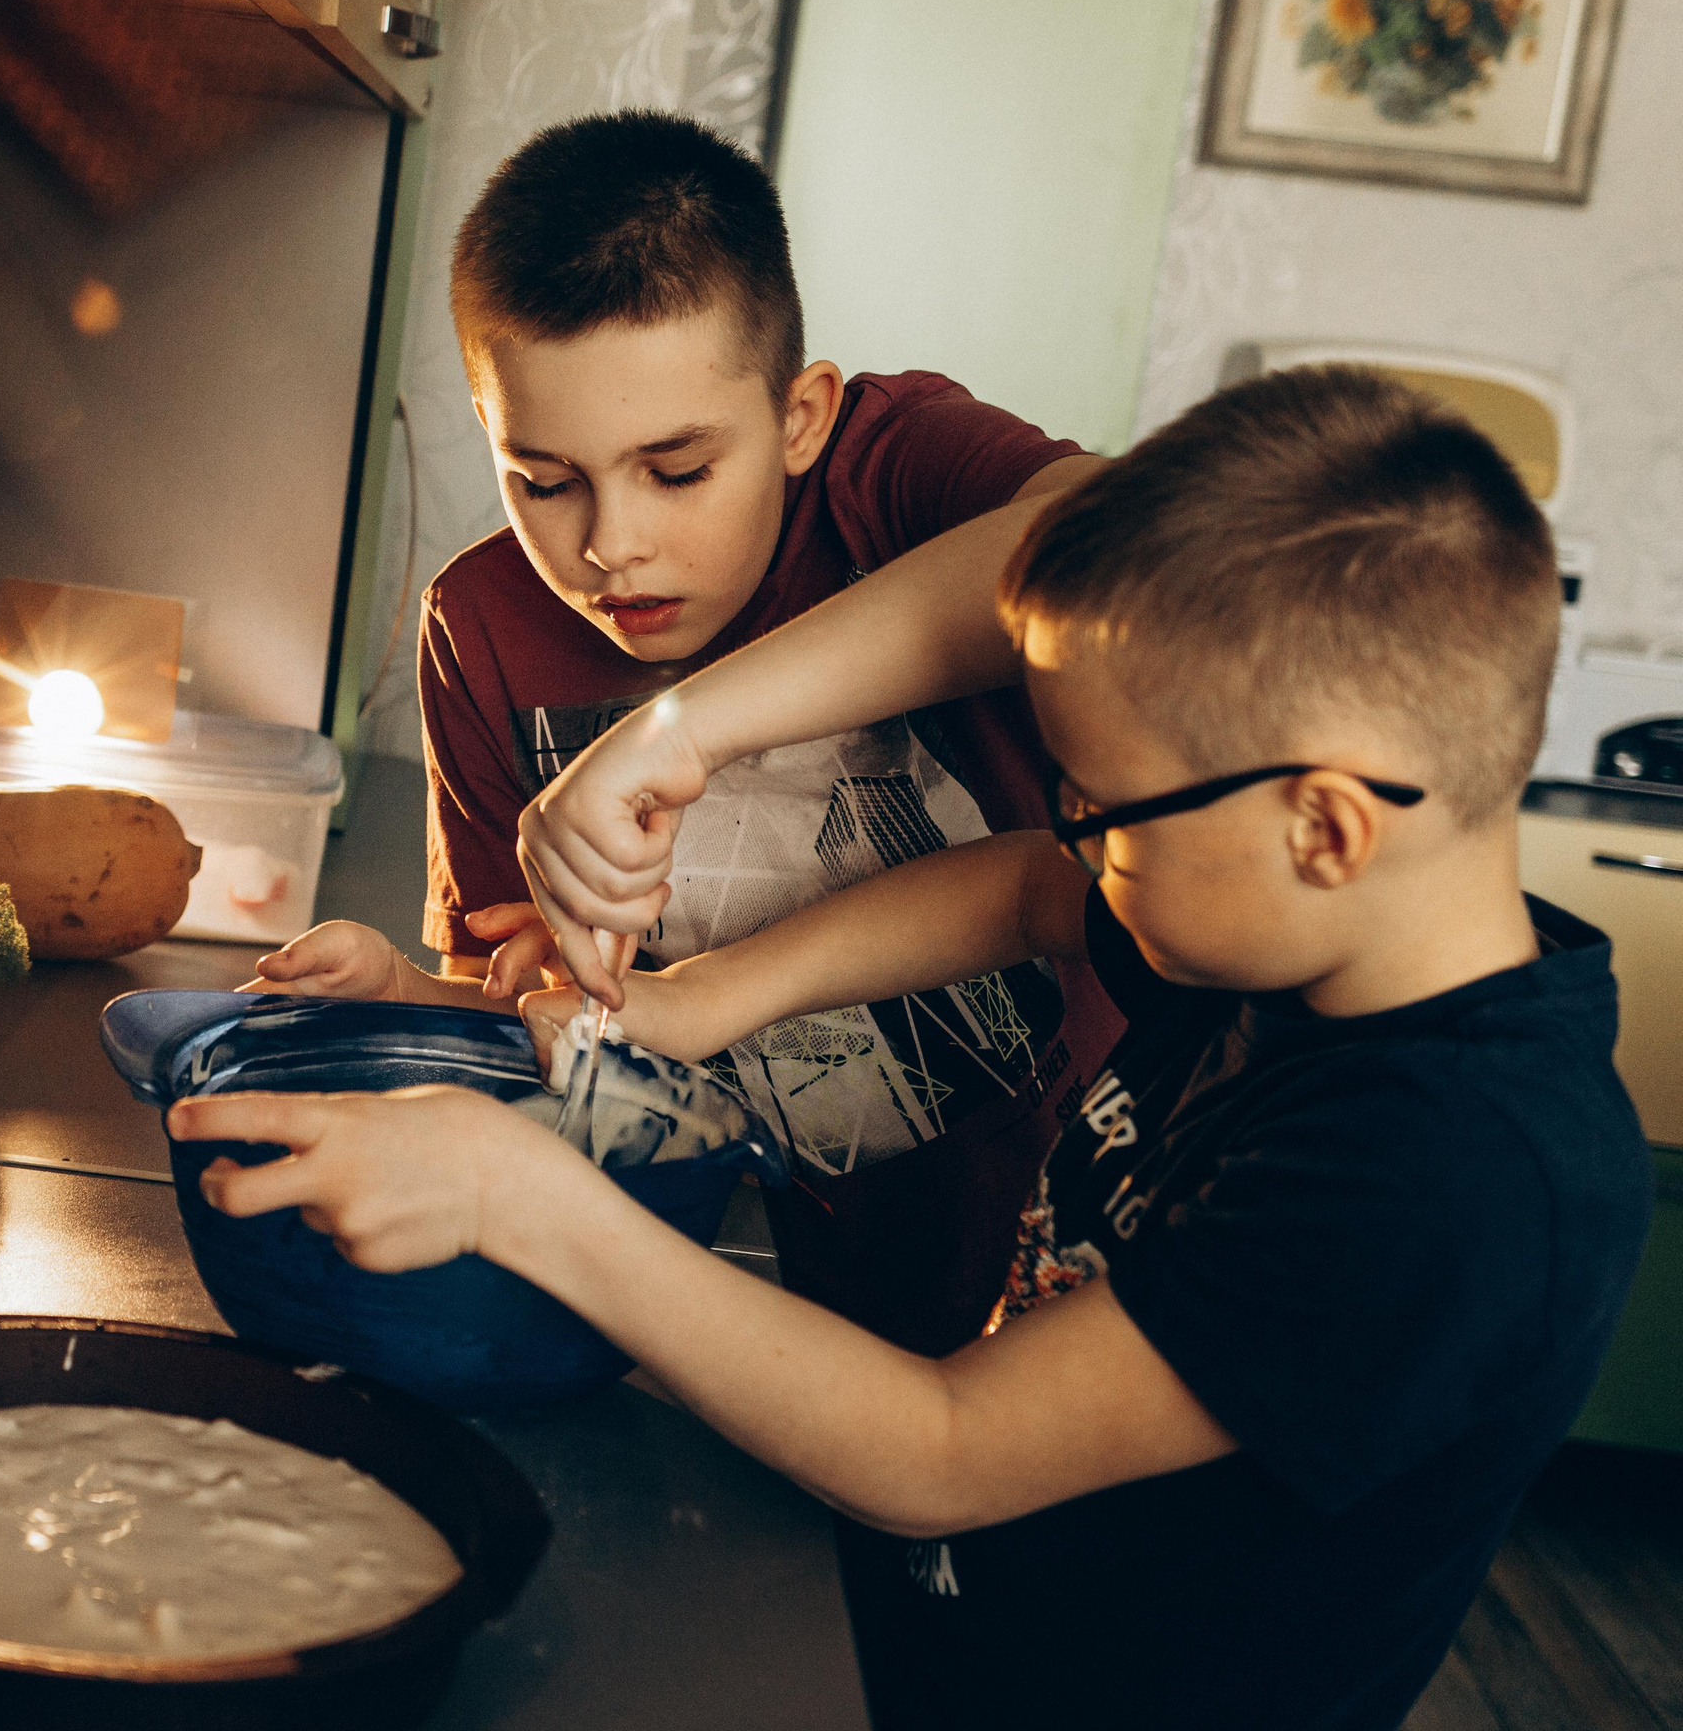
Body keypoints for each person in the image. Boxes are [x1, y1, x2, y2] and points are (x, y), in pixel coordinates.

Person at [172, 367, 1654, 1731]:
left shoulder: (1454, 1179)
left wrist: (518, 1197)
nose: (1078, 840)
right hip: (958, 1627)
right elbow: (1019, 891)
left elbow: (942, 1445)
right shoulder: (1320, 928)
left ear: (1321, 822)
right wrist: (704, 999)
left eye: (1102, 809)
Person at [250, 109, 1113, 1352]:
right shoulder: (479, 629)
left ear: (802, 416)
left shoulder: (888, 471)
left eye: (678, 467)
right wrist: (406, 995)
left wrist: (682, 725)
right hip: (731, 1288)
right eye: (542, 480)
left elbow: (1128, 543)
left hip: (1053, 1254)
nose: (611, 543)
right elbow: (554, 1017)